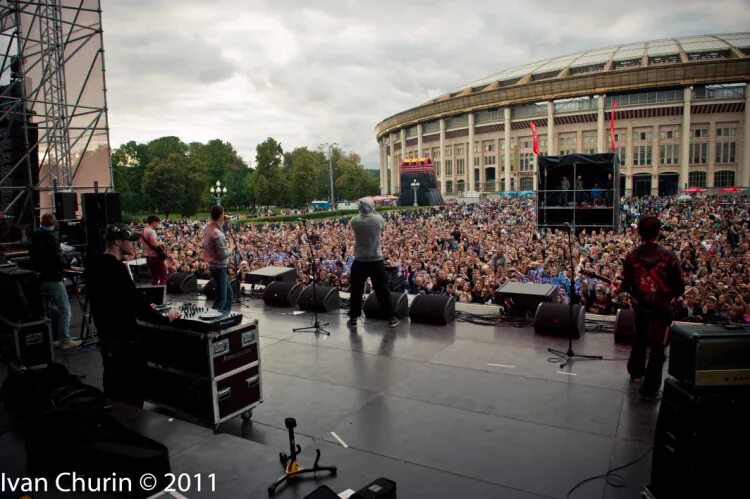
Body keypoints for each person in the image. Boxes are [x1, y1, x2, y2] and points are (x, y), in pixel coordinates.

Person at [86, 223, 180, 407]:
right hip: (124, 338)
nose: (133, 244)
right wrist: (164, 318)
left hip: (106, 335)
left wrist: (141, 304)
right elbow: (135, 302)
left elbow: (117, 298)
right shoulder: (117, 268)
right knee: (131, 390)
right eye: (129, 240)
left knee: (112, 385)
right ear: (117, 241)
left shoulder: (94, 264)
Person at [614, 215, 685, 401]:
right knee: (658, 348)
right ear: (659, 231)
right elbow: (679, 287)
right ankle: (650, 389)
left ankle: (636, 372)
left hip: (640, 307)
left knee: (639, 340)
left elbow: (628, 284)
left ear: (639, 233)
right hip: (661, 311)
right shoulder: (669, 257)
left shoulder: (632, 257)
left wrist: (619, 289)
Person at [29, 213, 81, 349]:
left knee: (47, 310)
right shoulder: (50, 237)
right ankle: (65, 340)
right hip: (53, 277)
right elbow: (57, 258)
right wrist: (68, 266)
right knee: (65, 309)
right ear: (54, 224)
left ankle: (51, 339)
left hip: (39, 278)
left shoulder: (34, 236)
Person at [347, 197, 399, 328]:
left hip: (359, 261)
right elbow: (382, 228)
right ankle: (391, 318)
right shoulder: (378, 219)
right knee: (383, 290)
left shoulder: (354, 221)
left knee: (356, 290)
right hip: (375, 261)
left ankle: (353, 318)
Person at [203, 205, 232, 313]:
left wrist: (224, 222)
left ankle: (225, 317)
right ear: (221, 215)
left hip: (214, 265)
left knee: (229, 295)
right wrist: (232, 248)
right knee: (222, 298)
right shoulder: (217, 234)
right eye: (223, 214)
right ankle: (212, 319)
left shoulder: (207, 226)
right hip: (219, 266)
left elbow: (221, 230)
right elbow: (222, 255)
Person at [141, 215, 168, 285]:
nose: (158, 225)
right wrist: (162, 242)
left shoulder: (143, 230)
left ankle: (154, 293)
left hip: (148, 257)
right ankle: (161, 293)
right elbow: (155, 244)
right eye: (158, 223)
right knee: (163, 276)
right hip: (155, 257)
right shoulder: (151, 231)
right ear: (153, 222)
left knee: (155, 277)